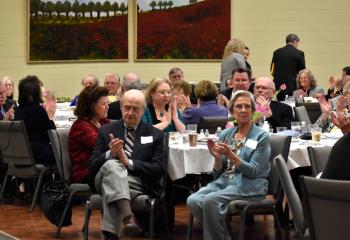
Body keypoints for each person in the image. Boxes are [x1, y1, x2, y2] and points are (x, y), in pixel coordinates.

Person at [187, 90, 271, 240]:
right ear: (232, 110)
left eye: (247, 106)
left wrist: (231, 155)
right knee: (193, 200)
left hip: (249, 184)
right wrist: (217, 158)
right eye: (239, 106)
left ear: (253, 110)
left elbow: (253, 171)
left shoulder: (261, 136)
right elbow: (218, 173)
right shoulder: (227, 134)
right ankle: (222, 236)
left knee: (210, 201)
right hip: (225, 182)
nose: (243, 110)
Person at [89, 89, 165, 240]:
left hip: (136, 182)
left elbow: (158, 170)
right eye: (127, 107)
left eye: (135, 109)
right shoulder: (106, 131)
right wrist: (110, 154)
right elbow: (92, 165)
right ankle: (128, 217)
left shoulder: (155, 134)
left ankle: (111, 235)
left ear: (143, 111)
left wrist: (128, 162)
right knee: (112, 166)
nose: (130, 112)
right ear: (121, 107)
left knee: (114, 181)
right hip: (102, 178)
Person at [69, 86, 110, 183]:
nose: (108, 107)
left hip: (103, 170)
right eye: (104, 104)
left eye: (108, 103)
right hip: (86, 173)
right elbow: (105, 147)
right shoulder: (81, 127)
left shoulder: (103, 122)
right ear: (92, 106)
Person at [14, 75, 56, 166]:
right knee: (64, 151)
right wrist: (50, 116)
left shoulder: (18, 110)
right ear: (33, 93)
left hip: (20, 157)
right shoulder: (38, 110)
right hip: (37, 156)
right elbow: (52, 136)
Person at [270, 33, 306, 101]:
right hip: (293, 86)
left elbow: (272, 71)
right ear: (295, 41)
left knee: (281, 106)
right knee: (291, 107)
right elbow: (302, 72)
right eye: (298, 43)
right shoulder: (299, 53)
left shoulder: (276, 52)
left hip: (279, 87)